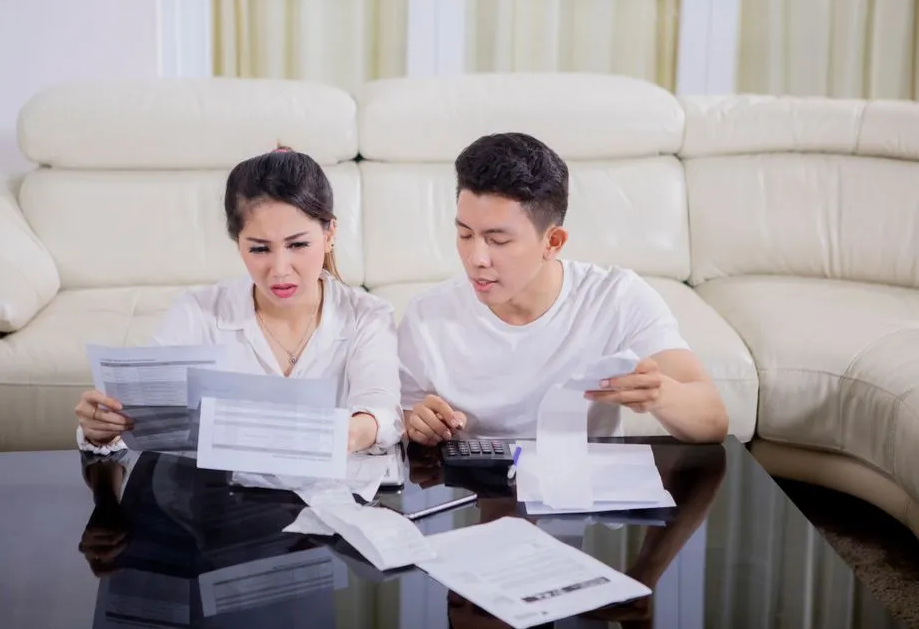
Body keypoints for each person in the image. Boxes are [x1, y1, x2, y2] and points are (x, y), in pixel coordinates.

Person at [399, 132, 728, 445]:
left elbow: (713, 421)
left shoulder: (616, 299)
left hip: (580, 491)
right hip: (469, 493)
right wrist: (416, 423)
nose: (476, 258)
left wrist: (661, 394)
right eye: (465, 235)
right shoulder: (427, 315)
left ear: (552, 242)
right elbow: (398, 417)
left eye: (498, 240)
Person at [74, 147, 404, 454]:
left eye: (298, 245)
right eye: (259, 248)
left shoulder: (368, 315)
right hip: (221, 502)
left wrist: (347, 433)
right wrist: (101, 429)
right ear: (238, 243)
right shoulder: (198, 312)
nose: (279, 270)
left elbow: (381, 410)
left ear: (329, 234)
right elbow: (140, 413)